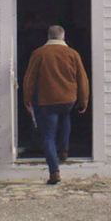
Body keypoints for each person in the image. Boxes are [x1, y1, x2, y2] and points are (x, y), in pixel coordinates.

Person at [22, 24, 89, 185]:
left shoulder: (39, 54)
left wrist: (27, 99)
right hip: (68, 99)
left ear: (48, 36)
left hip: (47, 100)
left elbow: (29, 79)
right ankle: (64, 150)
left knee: (48, 136)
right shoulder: (73, 54)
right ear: (63, 36)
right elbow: (82, 79)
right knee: (65, 117)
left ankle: (54, 171)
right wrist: (83, 100)